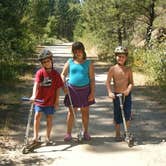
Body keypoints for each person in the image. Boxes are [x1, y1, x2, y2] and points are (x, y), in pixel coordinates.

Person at [61, 41, 95, 141]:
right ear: (73, 52)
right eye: (75, 51)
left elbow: (92, 79)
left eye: (79, 51)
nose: (78, 53)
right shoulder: (70, 62)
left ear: (83, 51)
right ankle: (68, 134)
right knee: (71, 112)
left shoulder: (88, 63)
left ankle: (86, 133)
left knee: (85, 112)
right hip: (72, 90)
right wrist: (64, 86)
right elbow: (63, 74)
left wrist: (92, 93)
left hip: (85, 90)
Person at [30, 49, 64, 144]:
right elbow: (36, 84)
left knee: (49, 118)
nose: (46, 63)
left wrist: (57, 101)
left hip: (50, 101)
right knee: (37, 116)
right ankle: (35, 137)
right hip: (39, 100)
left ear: (51, 60)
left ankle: (48, 137)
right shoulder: (40, 72)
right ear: (42, 63)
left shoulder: (56, 74)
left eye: (48, 61)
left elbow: (58, 88)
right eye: (44, 62)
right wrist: (33, 95)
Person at [105, 46, 134, 141]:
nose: (120, 58)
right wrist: (110, 92)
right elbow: (108, 82)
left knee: (127, 114)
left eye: (122, 56)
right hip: (117, 95)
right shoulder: (113, 69)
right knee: (117, 115)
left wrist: (128, 90)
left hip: (126, 95)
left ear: (126, 58)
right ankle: (117, 134)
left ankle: (127, 133)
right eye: (118, 56)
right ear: (115, 57)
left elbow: (131, 83)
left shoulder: (128, 69)